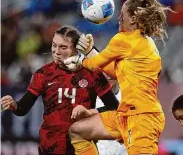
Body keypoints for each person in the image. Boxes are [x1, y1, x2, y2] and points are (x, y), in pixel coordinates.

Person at [64, 0, 174, 155]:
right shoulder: (146, 44)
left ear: (134, 18)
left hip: (142, 119)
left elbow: (95, 64)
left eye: (122, 14)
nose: (119, 18)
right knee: (78, 131)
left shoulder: (125, 39)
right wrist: (89, 52)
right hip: (125, 115)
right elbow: (114, 72)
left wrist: (81, 60)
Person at [0, 26, 119, 155]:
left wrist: (90, 112)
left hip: (80, 148)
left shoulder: (92, 73)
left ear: (75, 49)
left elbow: (114, 106)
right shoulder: (43, 74)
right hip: (49, 148)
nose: (56, 51)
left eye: (63, 47)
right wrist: (14, 105)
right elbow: (22, 109)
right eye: (54, 45)